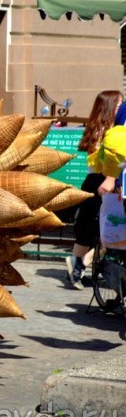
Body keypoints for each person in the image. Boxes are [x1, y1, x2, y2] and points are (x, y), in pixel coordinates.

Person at [67, 90, 123, 288]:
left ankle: (75, 270)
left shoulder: (94, 128)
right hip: (106, 180)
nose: (122, 108)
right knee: (111, 230)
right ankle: (81, 266)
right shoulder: (113, 131)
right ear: (110, 107)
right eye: (119, 104)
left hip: (91, 180)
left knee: (86, 229)